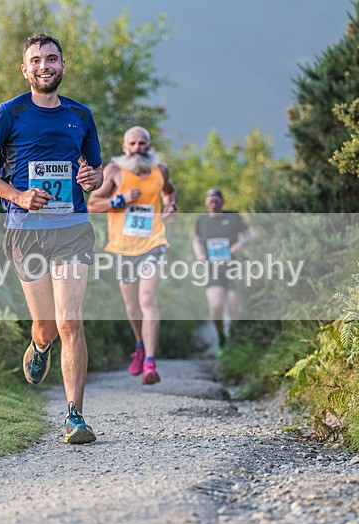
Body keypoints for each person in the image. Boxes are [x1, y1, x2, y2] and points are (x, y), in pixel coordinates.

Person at [0, 34, 103, 444]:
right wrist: (19, 195)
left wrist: (91, 179)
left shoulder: (81, 115)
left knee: (70, 321)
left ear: (63, 65)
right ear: (25, 70)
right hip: (25, 233)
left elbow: (95, 173)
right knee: (46, 326)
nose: (45, 66)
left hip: (72, 229)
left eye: (52, 59)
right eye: (36, 60)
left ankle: (74, 415)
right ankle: (38, 344)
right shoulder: (10, 112)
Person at [88, 126, 177, 385]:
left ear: (149, 146)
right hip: (123, 248)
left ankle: (150, 362)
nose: (138, 148)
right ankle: (139, 345)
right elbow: (92, 204)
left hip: (153, 243)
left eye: (142, 143)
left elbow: (169, 191)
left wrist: (171, 205)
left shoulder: (161, 169)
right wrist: (120, 200)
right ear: (125, 147)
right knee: (131, 306)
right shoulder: (115, 171)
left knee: (147, 299)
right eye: (133, 144)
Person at [192, 188, 254, 355]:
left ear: (222, 202)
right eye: (210, 200)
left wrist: (238, 245)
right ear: (206, 202)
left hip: (233, 269)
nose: (213, 204)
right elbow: (196, 240)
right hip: (213, 271)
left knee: (233, 308)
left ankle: (233, 336)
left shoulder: (233, 217)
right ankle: (221, 337)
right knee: (216, 306)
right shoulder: (202, 221)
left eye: (216, 200)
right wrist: (200, 255)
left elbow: (250, 234)